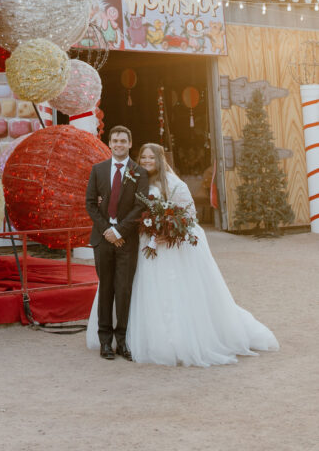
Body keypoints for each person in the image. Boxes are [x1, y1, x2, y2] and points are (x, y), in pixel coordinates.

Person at [92, 142, 279, 367]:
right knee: (132, 286)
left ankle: (172, 340)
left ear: (161, 160)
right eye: (143, 158)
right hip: (143, 243)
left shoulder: (173, 183)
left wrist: (168, 232)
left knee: (169, 292)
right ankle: (123, 336)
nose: (147, 162)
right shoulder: (136, 180)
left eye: (151, 158)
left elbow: (189, 215)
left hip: (167, 247)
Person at [85, 125, 149, 360]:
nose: (119, 144)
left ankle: (122, 341)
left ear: (130, 144)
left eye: (123, 140)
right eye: (115, 141)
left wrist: (120, 231)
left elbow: (140, 206)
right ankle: (105, 341)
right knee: (106, 290)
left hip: (127, 241)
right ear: (109, 143)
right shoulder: (98, 170)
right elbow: (90, 203)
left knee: (123, 290)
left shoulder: (140, 173)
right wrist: (108, 231)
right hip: (103, 240)